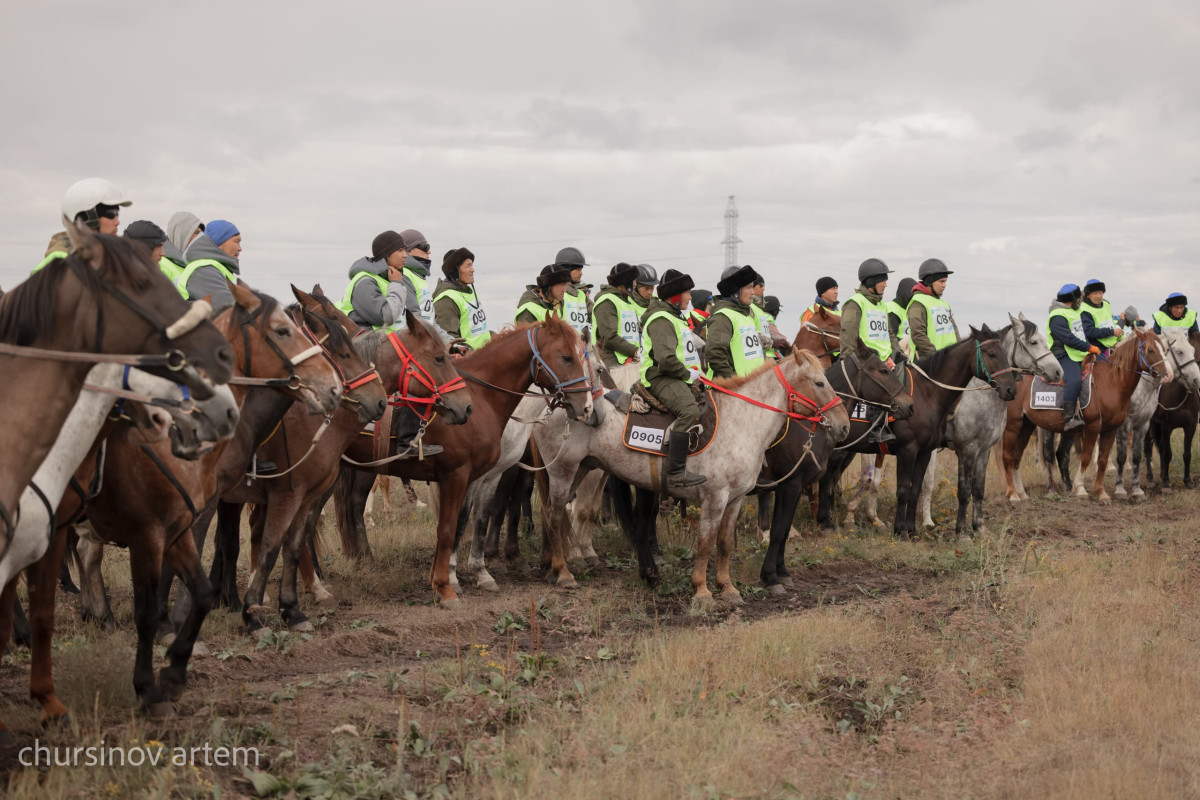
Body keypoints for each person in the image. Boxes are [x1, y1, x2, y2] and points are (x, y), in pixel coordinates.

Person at [639, 269, 706, 488]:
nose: (690, 297)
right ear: (675, 296)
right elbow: (666, 359)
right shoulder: (661, 319)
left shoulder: (675, 317)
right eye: (687, 293)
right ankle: (676, 472)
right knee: (689, 411)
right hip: (660, 377)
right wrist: (688, 374)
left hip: (677, 376)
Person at [37, 177, 132, 271]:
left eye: (117, 214)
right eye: (111, 214)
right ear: (85, 217)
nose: (117, 222)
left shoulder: (103, 259)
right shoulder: (59, 265)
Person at [1047, 284, 1100, 431]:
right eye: (1078, 298)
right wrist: (1088, 347)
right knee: (1075, 379)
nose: (1080, 301)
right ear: (1072, 299)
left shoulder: (1072, 311)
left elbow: (1079, 335)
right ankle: (1069, 418)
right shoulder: (1058, 315)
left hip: (1077, 354)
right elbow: (1068, 339)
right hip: (1062, 354)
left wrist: (1088, 350)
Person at [336, 230, 410, 330]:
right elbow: (385, 318)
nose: (405, 255)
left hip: (391, 343)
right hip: (371, 344)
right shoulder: (364, 281)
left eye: (405, 250)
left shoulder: (390, 279)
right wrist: (396, 284)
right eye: (400, 250)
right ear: (386, 254)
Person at [706, 265, 765, 379]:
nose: (753, 292)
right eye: (749, 287)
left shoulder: (746, 316)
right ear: (735, 291)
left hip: (752, 386)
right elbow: (715, 354)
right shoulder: (723, 317)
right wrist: (734, 381)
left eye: (753, 287)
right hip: (734, 389)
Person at [839, 258, 899, 364]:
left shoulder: (882, 305)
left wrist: (899, 354)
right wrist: (847, 363)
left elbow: (889, 334)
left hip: (887, 361)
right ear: (871, 282)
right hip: (867, 362)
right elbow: (848, 335)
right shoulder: (854, 303)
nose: (886, 285)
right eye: (883, 281)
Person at [175, 219, 242, 310]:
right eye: (236, 241)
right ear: (220, 241)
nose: (240, 248)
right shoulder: (204, 269)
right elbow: (229, 308)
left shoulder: (216, 268)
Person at [433, 247, 491, 351]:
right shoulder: (446, 300)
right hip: (470, 361)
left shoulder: (468, 291)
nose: (473, 269)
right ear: (455, 271)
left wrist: (496, 337)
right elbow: (451, 343)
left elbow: (480, 332)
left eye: (472, 265)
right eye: (468, 266)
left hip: (485, 355)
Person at [906, 258, 961, 359]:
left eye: (945, 281)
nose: (944, 285)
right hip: (931, 363)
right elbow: (918, 335)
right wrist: (936, 356)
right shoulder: (918, 303)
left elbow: (954, 331)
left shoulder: (944, 304)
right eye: (941, 281)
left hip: (948, 360)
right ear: (929, 281)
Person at [591, 262, 642, 367]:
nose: (635, 284)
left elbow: (639, 332)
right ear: (625, 282)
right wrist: (635, 352)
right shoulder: (606, 301)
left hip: (632, 359)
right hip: (612, 362)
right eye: (633, 280)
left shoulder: (629, 302)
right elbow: (609, 337)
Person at [399, 229, 437, 324]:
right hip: (419, 336)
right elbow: (415, 320)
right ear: (409, 250)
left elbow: (431, 321)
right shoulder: (404, 275)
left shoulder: (419, 276)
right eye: (425, 247)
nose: (429, 251)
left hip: (426, 335)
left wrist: (448, 339)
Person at [555, 246, 592, 339]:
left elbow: (596, 315)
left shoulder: (580, 295)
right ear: (566, 271)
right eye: (578, 270)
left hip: (583, 347)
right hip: (566, 347)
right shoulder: (558, 295)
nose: (581, 273)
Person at [1079, 278, 1123, 353]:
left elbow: (1110, 323)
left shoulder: (1106, 304)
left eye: (1100, 293)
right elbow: (1089, 332)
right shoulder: (1084, 309)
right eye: (1095, 293)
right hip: (1096, 347)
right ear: (1088, 295)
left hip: (1112, 344)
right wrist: (1112, 332)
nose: (1098, 296)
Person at [162, 212, 204, 282]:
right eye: (196, 233)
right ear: (181, 234)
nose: (201, 237)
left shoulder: (198, 264)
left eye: (202, 234)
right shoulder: (160, 264)